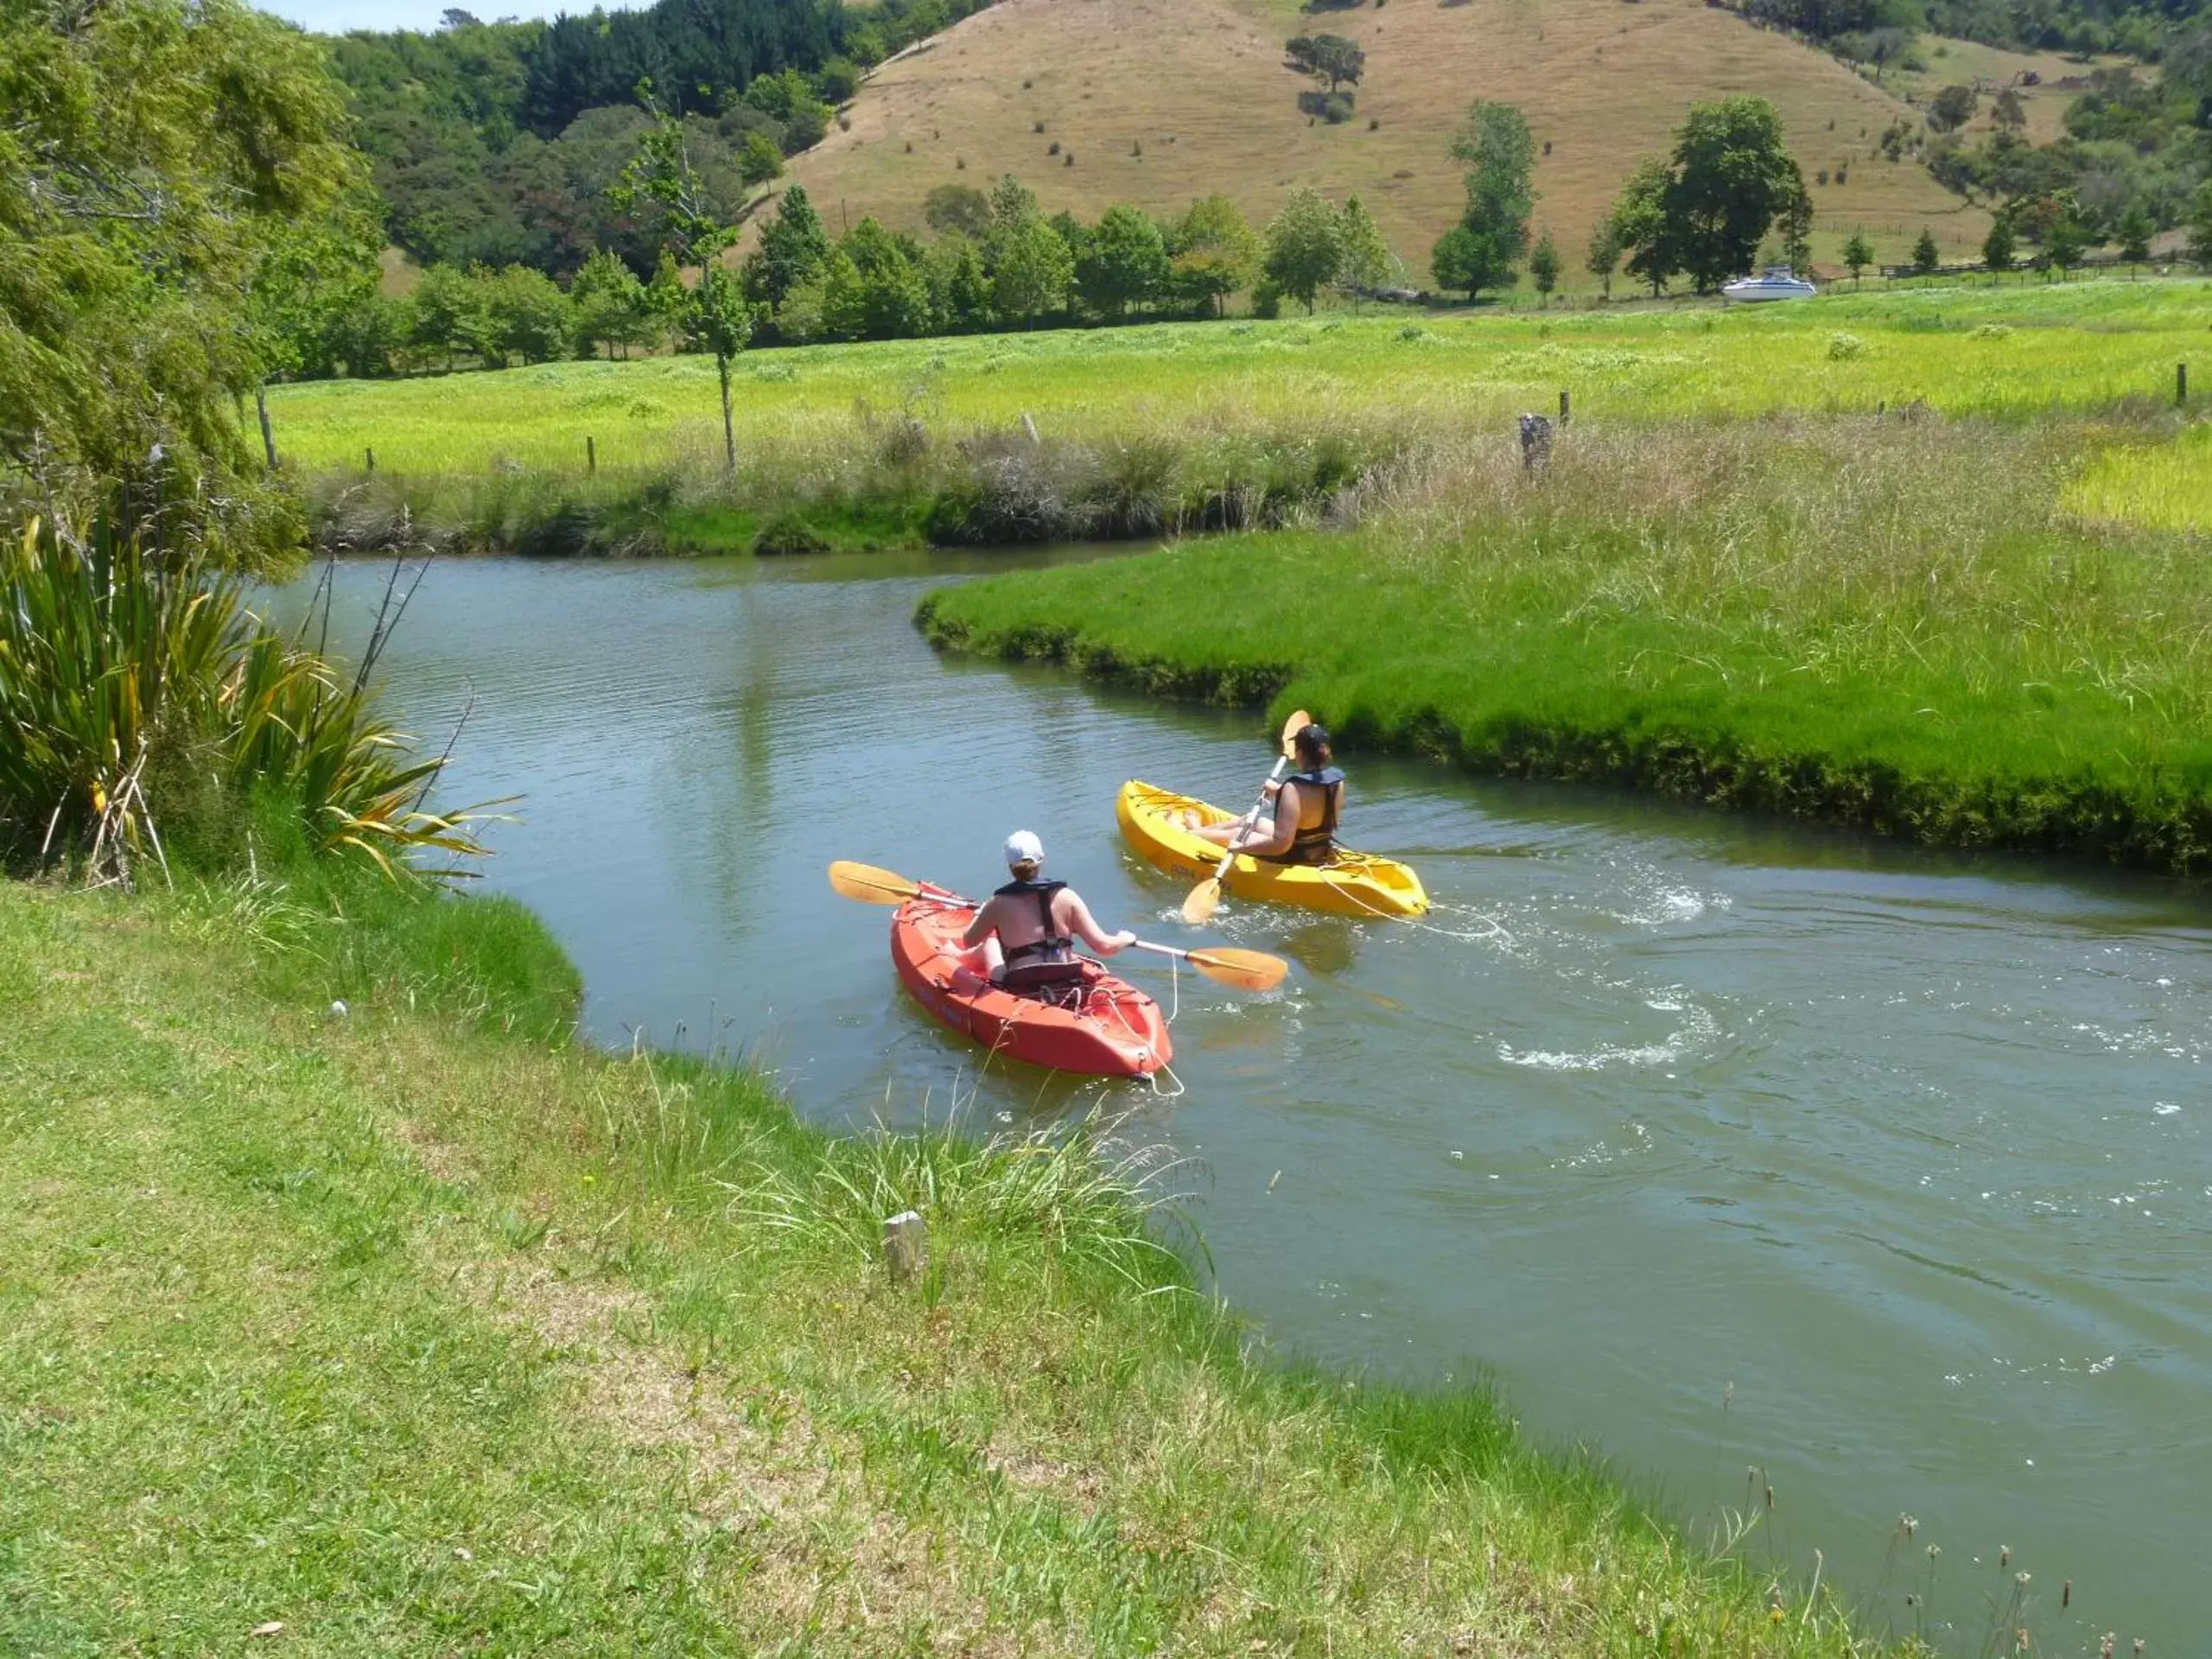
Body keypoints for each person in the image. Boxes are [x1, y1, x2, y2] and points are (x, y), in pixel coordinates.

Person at [961, 830, 1135, 996]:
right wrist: (1125, 939)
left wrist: (980, 914)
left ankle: (957, 959)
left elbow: (968, 940)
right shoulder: (1067, 897)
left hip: (1022, 986)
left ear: (1010, 866)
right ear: (1042, 860)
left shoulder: (997, 904)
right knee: (1062, 952)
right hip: (1064, 979)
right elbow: (1103, 946)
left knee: (991, 942)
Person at [1190, 721, 1344, 866]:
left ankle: (1191, 833)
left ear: (1300, 752)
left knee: (1238, 834)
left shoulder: (1293, 788)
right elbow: (1311, 805)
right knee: (1253, 820)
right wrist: (1279, 791)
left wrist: (1242, 848)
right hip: (1319, 850)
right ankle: (1201, 831)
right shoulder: (1336, 783)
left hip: (1295, 856)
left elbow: (1281, 845)